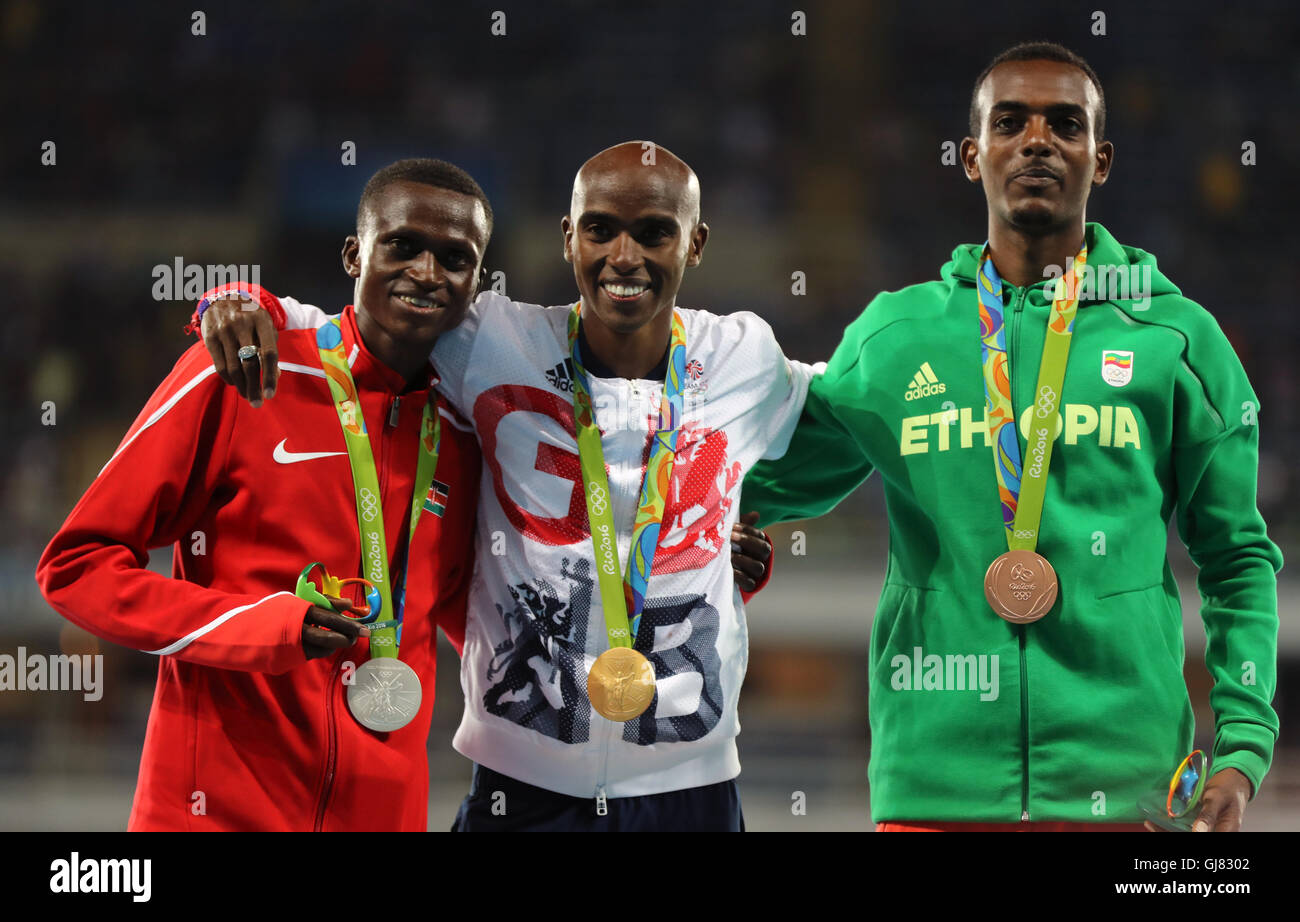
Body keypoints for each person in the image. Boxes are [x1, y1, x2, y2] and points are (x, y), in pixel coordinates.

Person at [741, 41, 1282, 832]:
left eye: (1065, 124)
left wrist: (1241, 752)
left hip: (1127, 794)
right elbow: (748, 481)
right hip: (934, 793)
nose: (1037, 140)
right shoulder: (894, 336)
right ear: (971, 156)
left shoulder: (1177, 339)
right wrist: (704, 526)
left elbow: (1237, 558)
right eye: (1011, 122)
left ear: (1100, 160)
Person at [199, 141, 806, 831]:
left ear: (695, 244)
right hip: (520, 790)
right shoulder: (491, 340)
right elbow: (337, 334)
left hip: (691, 789)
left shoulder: (744, 356)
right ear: (568, 236)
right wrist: (235, 298)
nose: (624, 256)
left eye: (654, 232)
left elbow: (850, 417)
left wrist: (719, 535)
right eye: (602, 228)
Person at [36, 158, 490, 830]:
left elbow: (473, 617)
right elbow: (74, 568)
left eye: (455, 258)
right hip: (213, 815)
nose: (427, 272)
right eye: (403, 245)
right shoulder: (245, 370)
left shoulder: (466, 436)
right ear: (353, 253)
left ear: (478, 282)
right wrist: (260, 628)